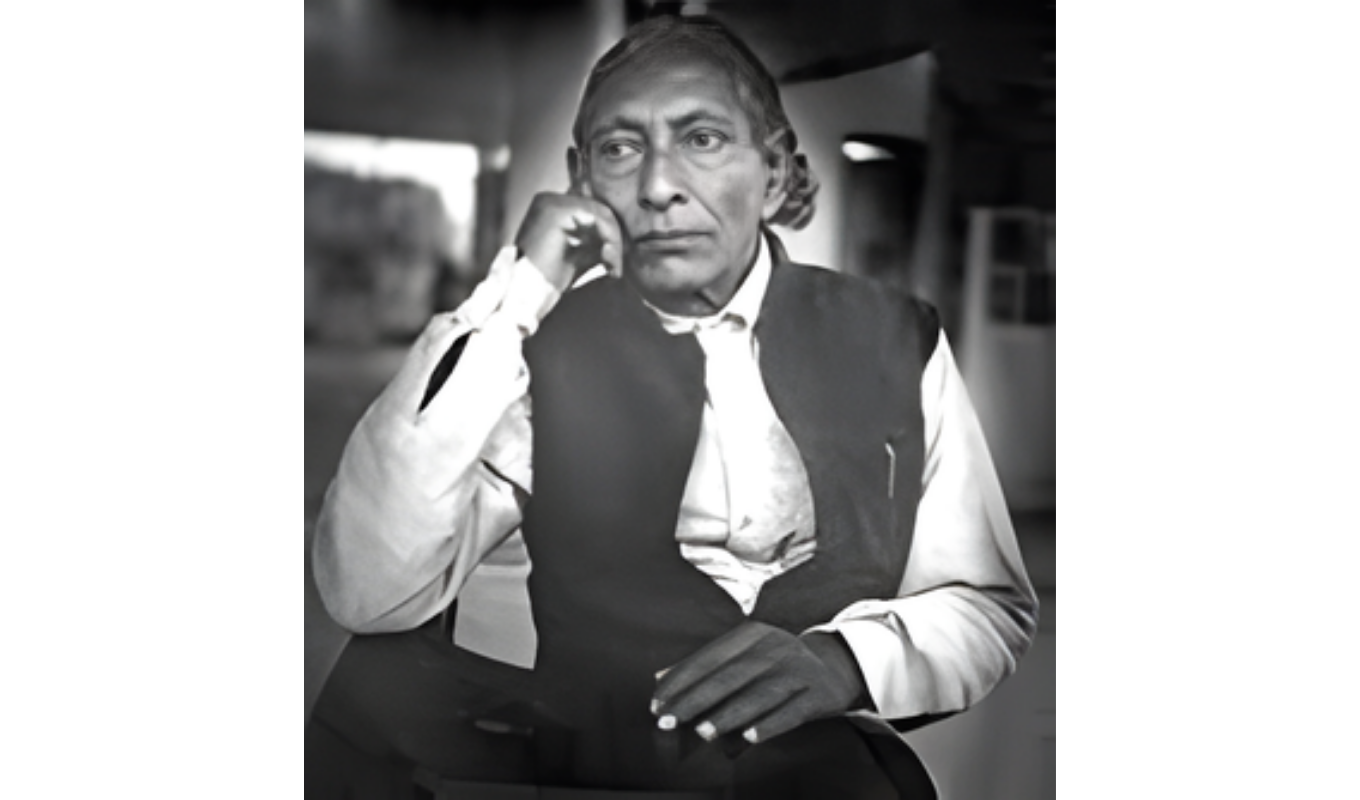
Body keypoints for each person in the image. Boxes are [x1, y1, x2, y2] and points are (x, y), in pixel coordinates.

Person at [307, 14, 1038, 799]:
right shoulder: (540, 352)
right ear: (582, 180)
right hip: (601, 770)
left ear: (775, 174)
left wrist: (850, 660)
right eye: (620, 150)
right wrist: (516, 293)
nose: (658, 187)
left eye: (702, 139)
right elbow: (368, 592)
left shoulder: (896, 336)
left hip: (820, 769)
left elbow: (985, 603)